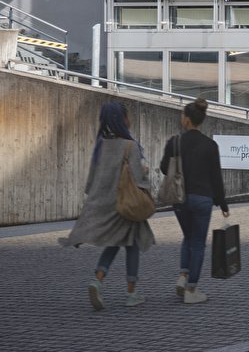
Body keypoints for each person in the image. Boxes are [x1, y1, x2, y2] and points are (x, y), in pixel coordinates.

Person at [60, 102, 157, 310]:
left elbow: (91, 182)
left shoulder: (101, 145)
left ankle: (98, 280)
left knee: (112, 244)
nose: (130, 120)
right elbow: (139, 179)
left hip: (106, 205)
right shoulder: (130, 146)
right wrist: (146, 173)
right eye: (128, 116)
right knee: (132, 244)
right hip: (126, 205)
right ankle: (132, 293)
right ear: (123, 120)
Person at [160, 98, 229, 305]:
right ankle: (191, 289)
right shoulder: (210, 145)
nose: (182, 119)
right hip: (202, 199)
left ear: (187, 120)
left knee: (187, 237)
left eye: (182, 116)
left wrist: (168, 147)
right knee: (198, 243)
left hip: (180, 199)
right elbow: (216, 177)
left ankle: (183, 275)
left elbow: (165, 169)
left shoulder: (175, 142)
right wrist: (223, 204)